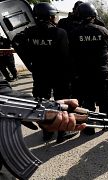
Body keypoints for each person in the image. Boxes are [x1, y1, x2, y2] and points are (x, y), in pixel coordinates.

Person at [12, 2, 75, 143]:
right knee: (63, 103)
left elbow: (17, 42)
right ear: (51, 16)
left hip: (40, 75)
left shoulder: (29, 32)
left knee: (42, 104)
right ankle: (62, 134)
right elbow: (66, 56)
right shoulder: (59, 32)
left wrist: (30, 63)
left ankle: (46, 132)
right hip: (59, 75)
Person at [68, 3, 108, 135]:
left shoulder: (73, 33)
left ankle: (88, 128)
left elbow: (70, 53)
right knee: (106, 99)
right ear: (94, 15)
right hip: (101, 72)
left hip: (83, 74)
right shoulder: (102, 30)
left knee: (86, 102)